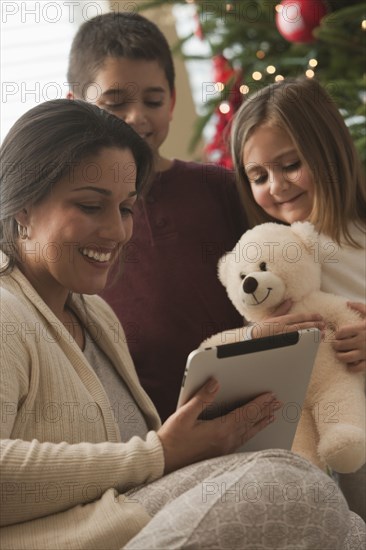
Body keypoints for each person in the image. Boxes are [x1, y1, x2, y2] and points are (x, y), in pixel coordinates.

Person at [1, 98, 365, 550]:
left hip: (134, 520)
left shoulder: (95, 316)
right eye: (91, 206)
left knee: (340, 520)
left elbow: (141, 465)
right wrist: (159, 452)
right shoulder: (5, 314)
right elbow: (144, 460)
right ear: (22, 207)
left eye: (126, 208)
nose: (116, 231)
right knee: (295, 485)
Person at [66, 12, 322, 421]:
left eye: (152, 100)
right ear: (75, 106)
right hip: (143, 434)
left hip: (251, 409)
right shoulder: (70, 215)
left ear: (173, 101)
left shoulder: (221, 188)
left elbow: (293, 277)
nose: (136, 117)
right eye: (114, 104)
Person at [230, 76, 366, 520]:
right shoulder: (272, 254)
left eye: (290, 165)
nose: (276, 186)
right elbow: (264, 336)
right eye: (258, 176)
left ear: (328, 150)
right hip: (337, 432)